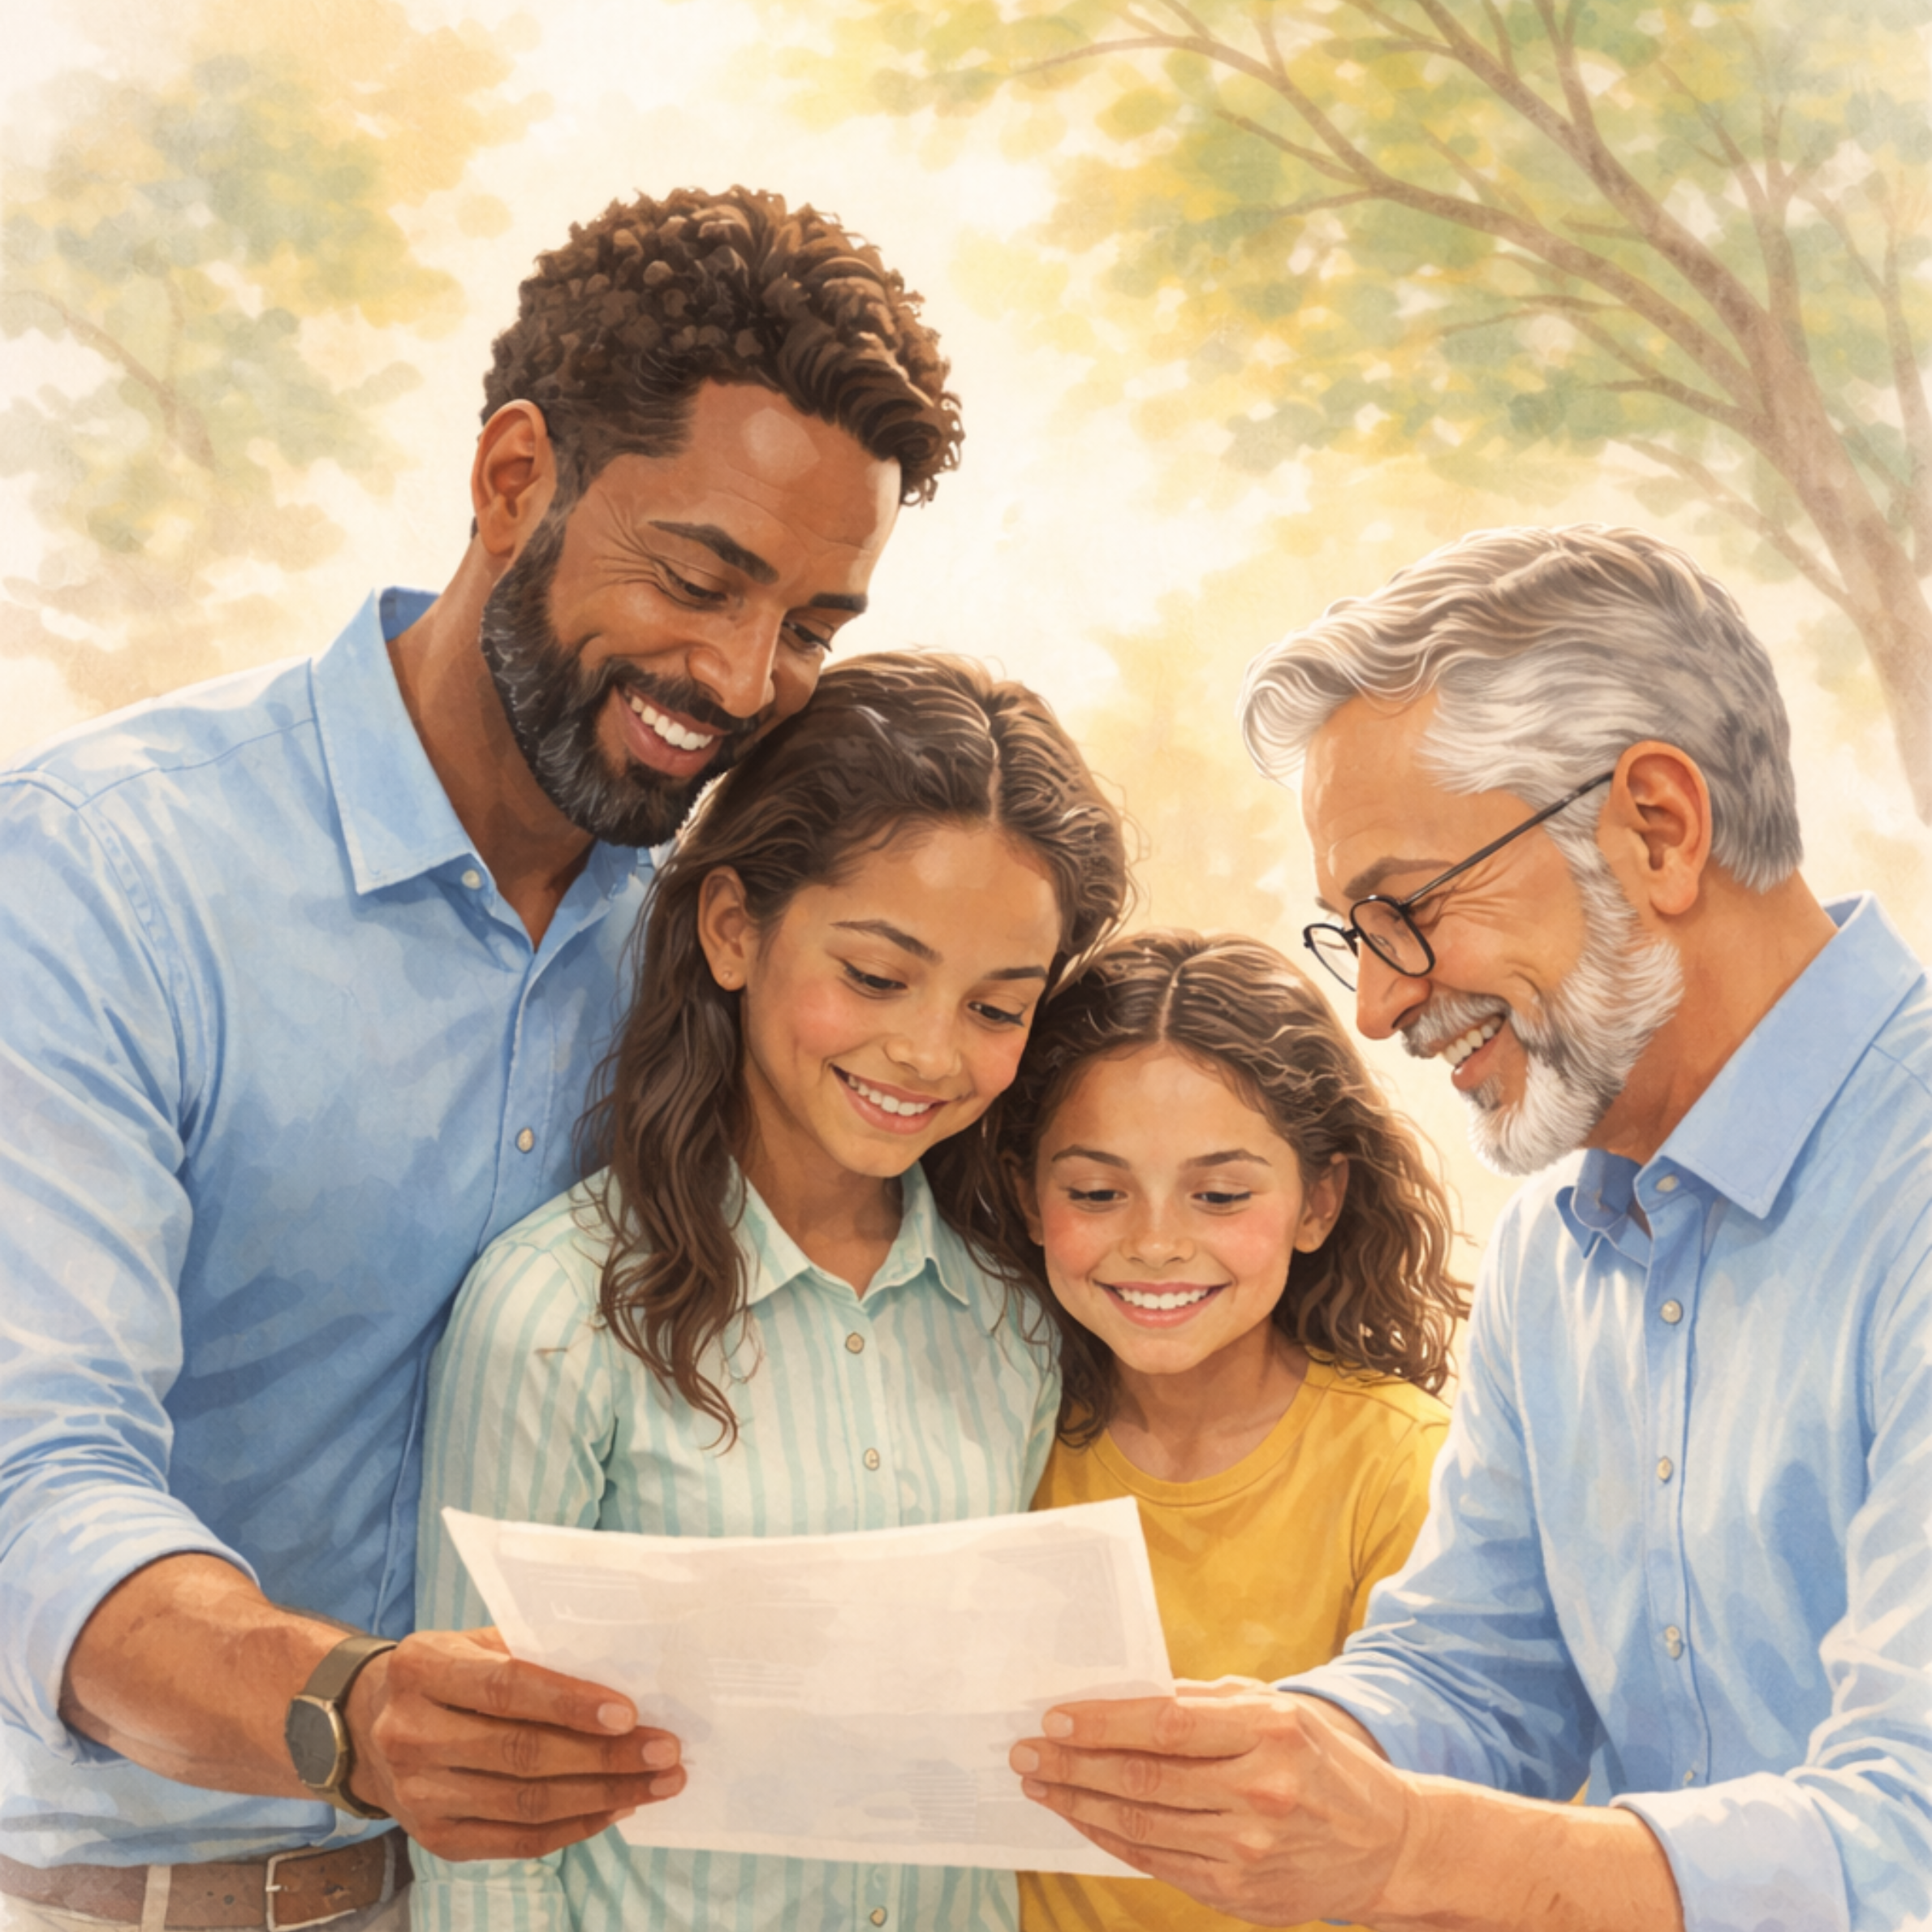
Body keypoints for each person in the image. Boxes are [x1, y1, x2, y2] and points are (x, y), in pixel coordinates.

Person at [0, 186, 962, 1931]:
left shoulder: (720, 945)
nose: (744, 676)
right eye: (698, 576)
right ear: (512, 476)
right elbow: (24, 1487)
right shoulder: (103, 873)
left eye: (814, 623)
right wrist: (348, 1708)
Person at [1007, 526, 1932, 1932]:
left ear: (1658, 830)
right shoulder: (1560, 1254)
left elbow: (1909, 1842)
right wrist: (1269, 1764)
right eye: (1351, 935)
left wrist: (1403, 1850)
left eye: (1409, 909)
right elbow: (1479, 1673)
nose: (1376, 1009)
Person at [411, 650, 1129, 1931]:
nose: (927, 1052)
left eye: (996, 1008)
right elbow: (485, 1834)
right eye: (874, 976)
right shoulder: (555, 1314)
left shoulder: (1015, 1320)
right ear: (733, 926)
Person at [959, 928, 1464, 1932]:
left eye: (1220, 1194)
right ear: (1025, 1194)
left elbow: (1449, 1857)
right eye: (1096, 1193)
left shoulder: (1405, 1470)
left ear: (1319, 1199)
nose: (1154, 1242)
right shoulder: (992, 1433)